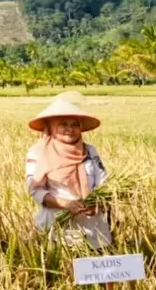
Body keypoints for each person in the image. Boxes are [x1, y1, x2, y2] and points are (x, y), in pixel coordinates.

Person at [24, 97, 111, 249]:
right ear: (50, 127)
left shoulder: (90, 150)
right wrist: (65, 204)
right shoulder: (38, 152)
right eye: (63, 124)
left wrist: (97, 203)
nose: (69, 129)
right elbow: (35, 189)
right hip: (57, 222)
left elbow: (103, 181)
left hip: (93, 225)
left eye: (74, 124)